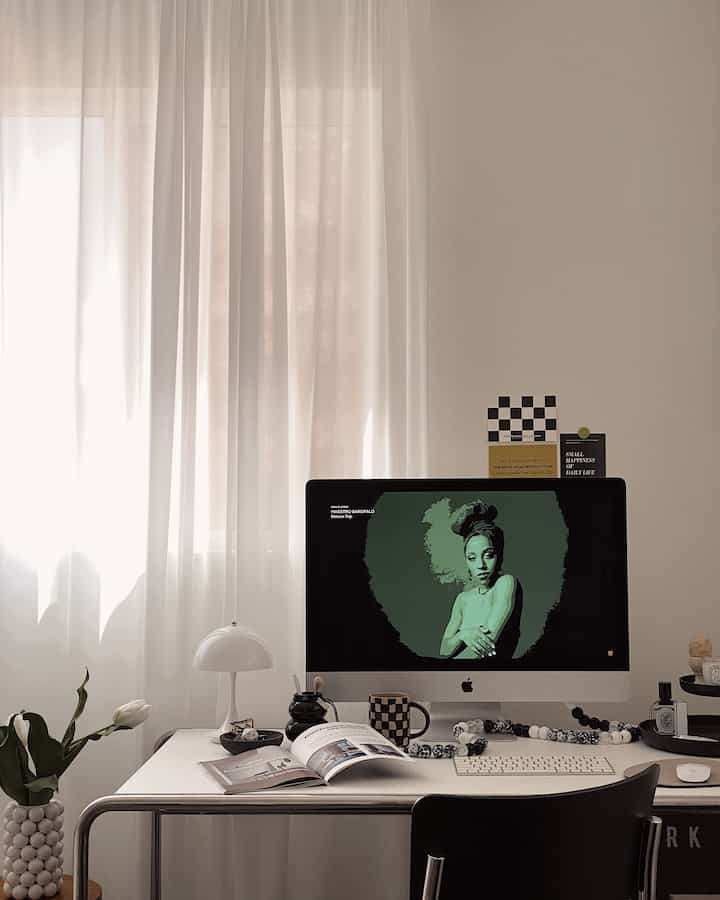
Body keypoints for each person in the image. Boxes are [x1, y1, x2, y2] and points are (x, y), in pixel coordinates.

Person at [439, 500, 521, 659]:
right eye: (472, 558)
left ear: (499, 555)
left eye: (488, 555)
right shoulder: (463, 599)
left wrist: (442, 672)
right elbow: (444, 649)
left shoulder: (506, 583)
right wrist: (464, 634)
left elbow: (486, 645)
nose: (481, 565)